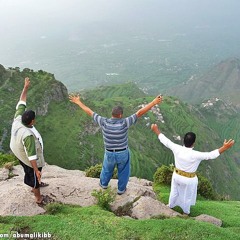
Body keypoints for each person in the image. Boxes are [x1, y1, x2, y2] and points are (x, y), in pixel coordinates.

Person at [69, 94, 162, 194]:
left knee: (106, 169)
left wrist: (78, 102)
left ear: (112, 114)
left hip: (109, 153)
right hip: (122, 153)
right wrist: (154, 102)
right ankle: (121, 190)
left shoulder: (104, 122)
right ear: (121, 115)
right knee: (124, 171)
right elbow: (139, 113)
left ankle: (103, 184)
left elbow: (90, 112)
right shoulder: (125, 122)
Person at [151, 123, 234, 215]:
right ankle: (185, 213)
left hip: (176, 176)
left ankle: (170, 205)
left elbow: (165, 141)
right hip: (189, 179)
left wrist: (156, 130)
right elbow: (211, 155)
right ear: (194, 143)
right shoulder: (196, 155)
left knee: (174, 192)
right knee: (187, 197)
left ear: (183, 141)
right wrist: (224, 147)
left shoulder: (176, 148)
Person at [10, 77, 47, 205]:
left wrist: (25, 88)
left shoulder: (18, 118)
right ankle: (38, 197)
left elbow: (21, 102)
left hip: (18, 152)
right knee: (34, 176)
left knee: (28, 170)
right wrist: (36, 170)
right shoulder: (28, 135)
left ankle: (34, 183)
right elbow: (32, 156)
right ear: (32, 121)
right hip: (28, 158)